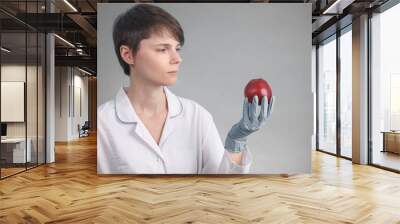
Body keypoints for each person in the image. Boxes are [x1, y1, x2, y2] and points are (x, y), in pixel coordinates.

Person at [97, 3, 275, 174]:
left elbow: (222, 190)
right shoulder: (103, 124)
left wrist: (236, 142)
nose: (177, 58)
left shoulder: (198, 117)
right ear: (128, 55)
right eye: (162, 49)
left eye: (177, 49)